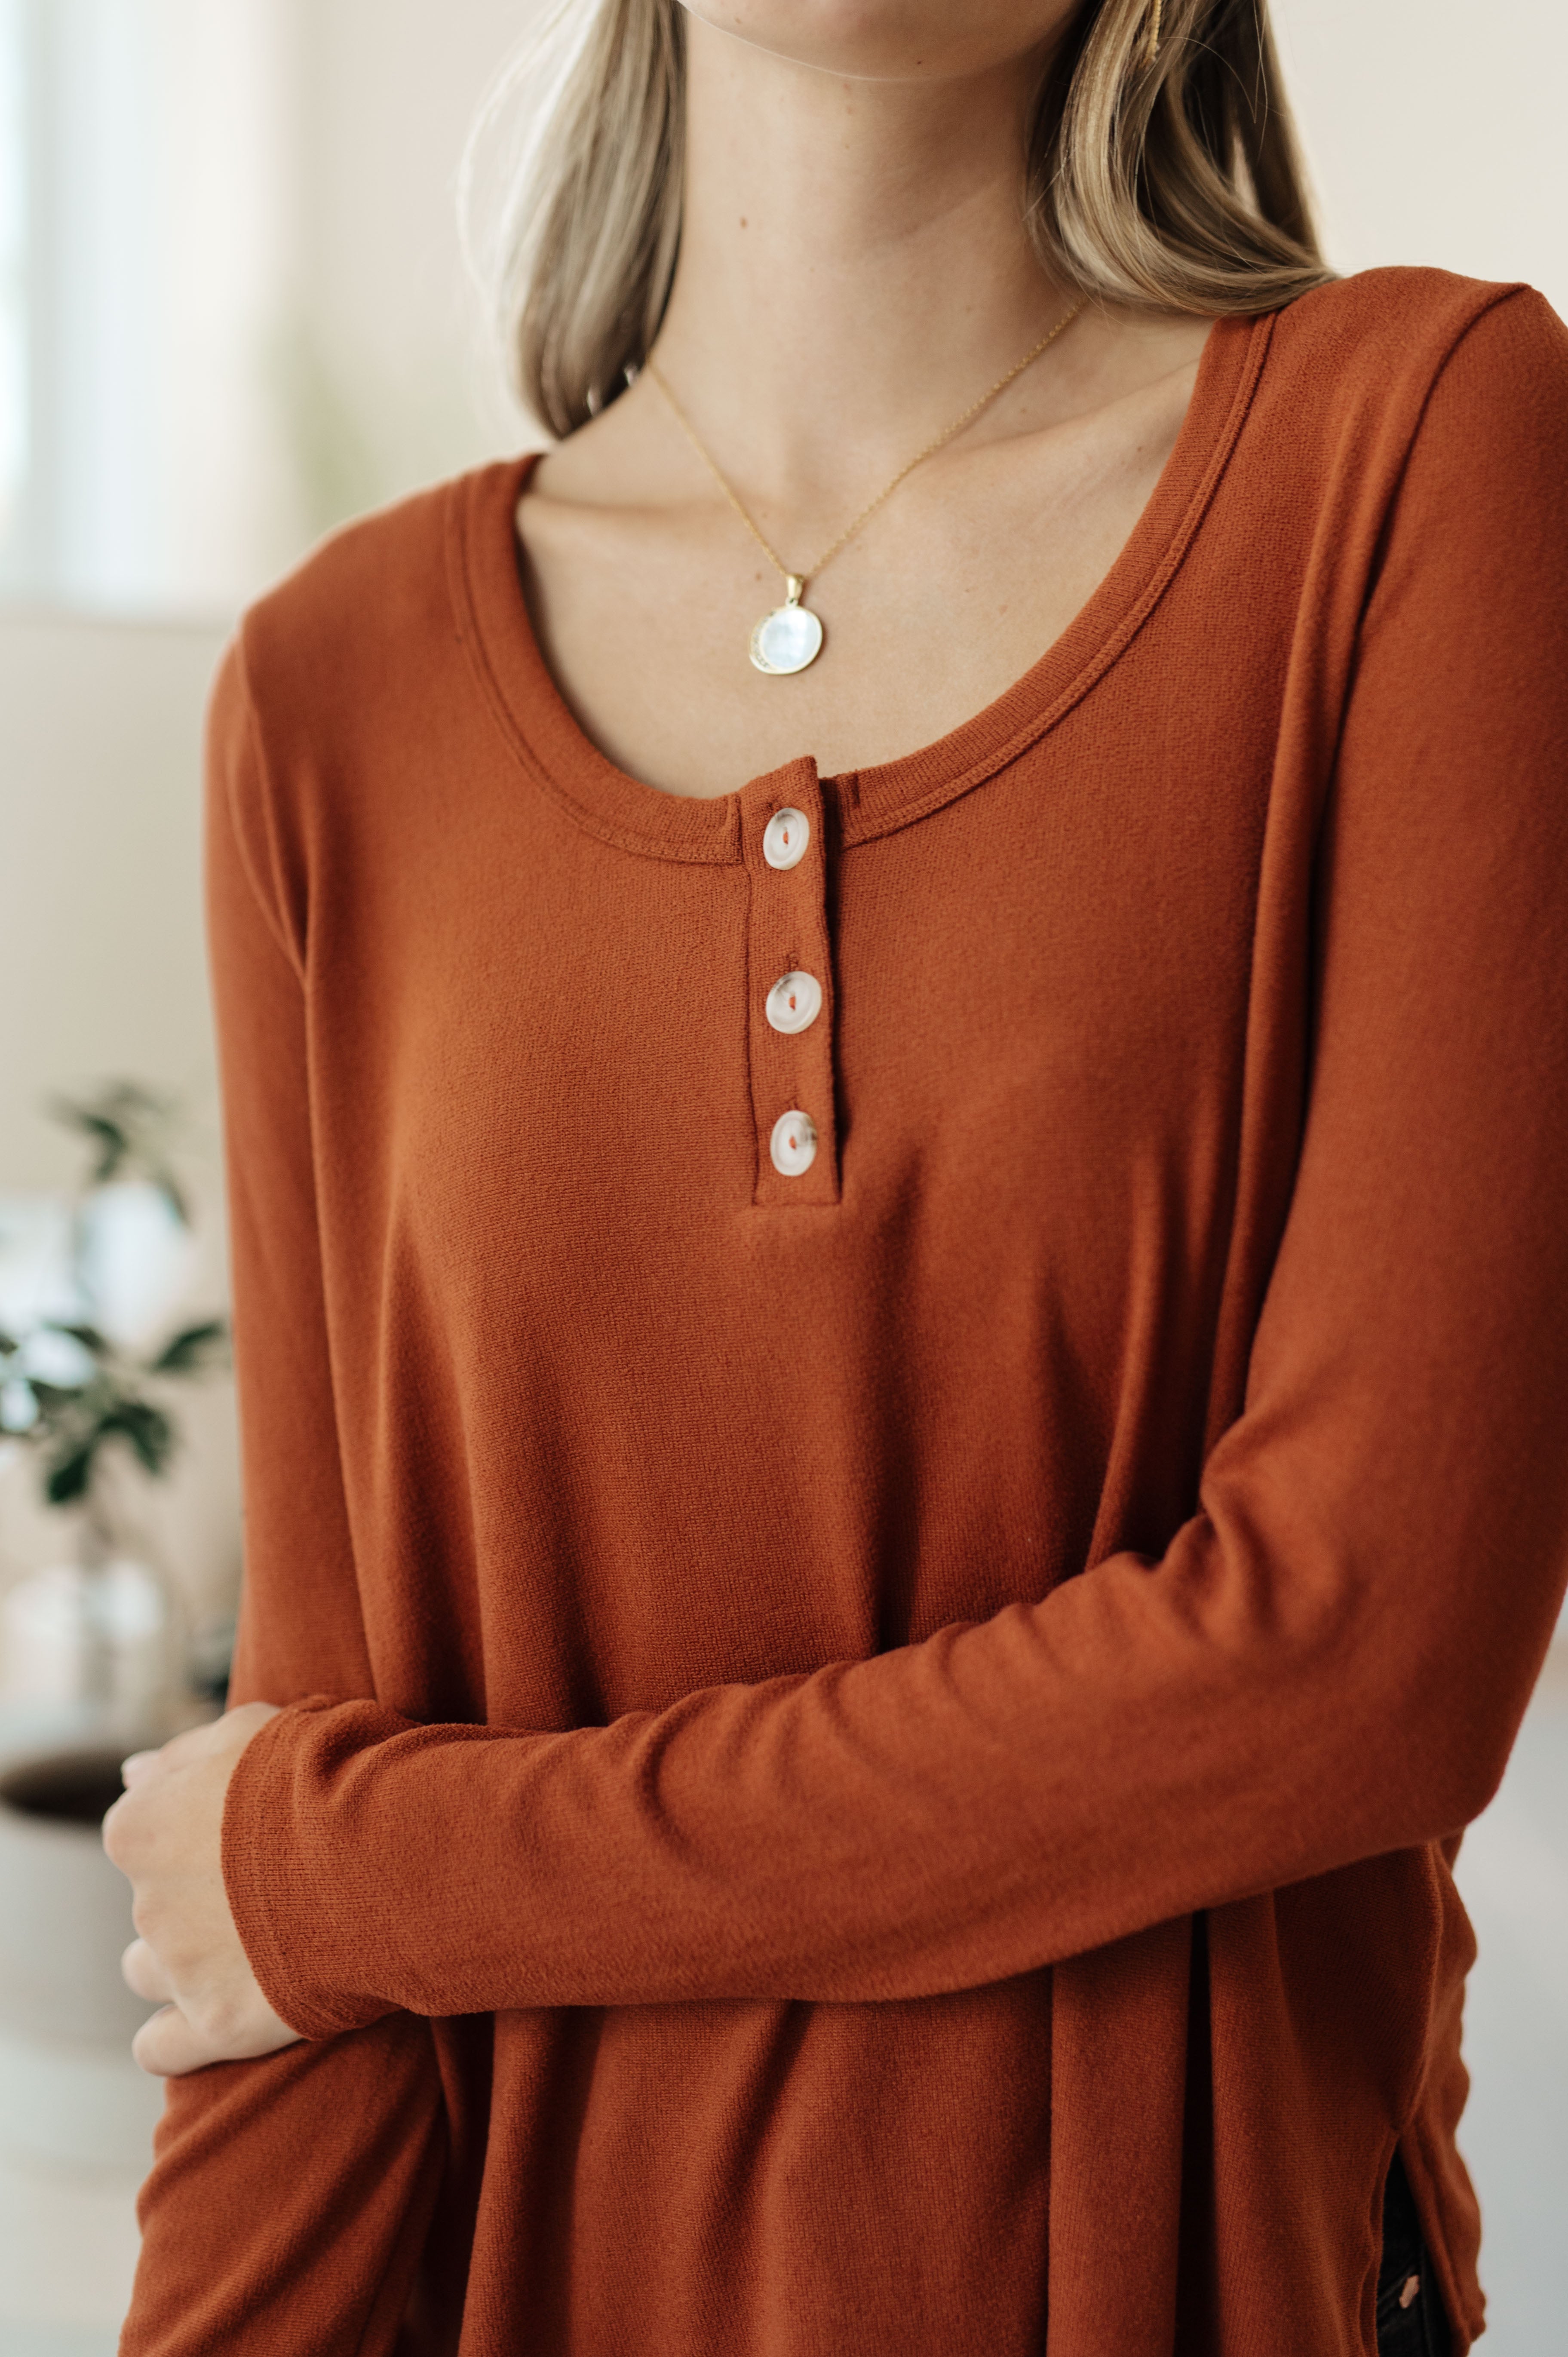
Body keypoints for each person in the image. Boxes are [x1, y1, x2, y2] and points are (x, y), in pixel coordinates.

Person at [102, 2, 1568, 2352]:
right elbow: (296, 1915)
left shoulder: (1415, 454)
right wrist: (322, 1889)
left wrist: (386, 1872)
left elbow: (1360, 1658)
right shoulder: (326, 695)